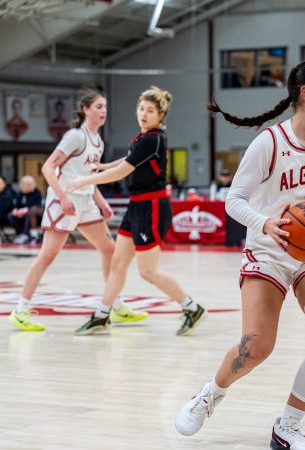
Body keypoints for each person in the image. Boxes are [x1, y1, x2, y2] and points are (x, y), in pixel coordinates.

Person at [174, 60, 305, 450]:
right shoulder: (269, 142)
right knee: (257, 346)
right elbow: (234, 200)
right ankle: (210, 393)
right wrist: (265, 223)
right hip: (269, 251)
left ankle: (288, 426)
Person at [67, 86, 204, 336]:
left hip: (152, 207)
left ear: (160, 115)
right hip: (137, 206)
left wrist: (83, 181)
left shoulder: (153, 139)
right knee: (118, 264)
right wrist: (103, 166)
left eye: (150, 110)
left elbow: (123, 171)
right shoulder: (143, 139)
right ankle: (101, 315)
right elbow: (128, 159)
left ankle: (191, 308)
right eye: (141, 108)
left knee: (147, 272)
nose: (143, 114)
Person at [9, 88, 146, 332]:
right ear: (85, 110)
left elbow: (90, 176)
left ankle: (115, 305)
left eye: (105, 107)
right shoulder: (74, 136)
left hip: (85, 201)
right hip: (64, 200)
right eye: (99, 107)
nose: (103, 111)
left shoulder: (98, 141)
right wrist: (62, 197)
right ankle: (20, 310)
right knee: (47, 256)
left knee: (109, 250)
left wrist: (101, 203)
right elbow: (48, 168)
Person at [9, 175, 43, 244]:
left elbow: (38, 206)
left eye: (32, 184)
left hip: (32, 215)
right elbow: (16, 205)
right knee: (10, 215)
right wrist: (16, 210)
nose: (32, 186)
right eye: (29, 185)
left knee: (29, 213)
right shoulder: (20, 193)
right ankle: (19, 234)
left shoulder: (37, 192)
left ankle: (25, 234)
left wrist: (26, 209)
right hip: (21, 213)